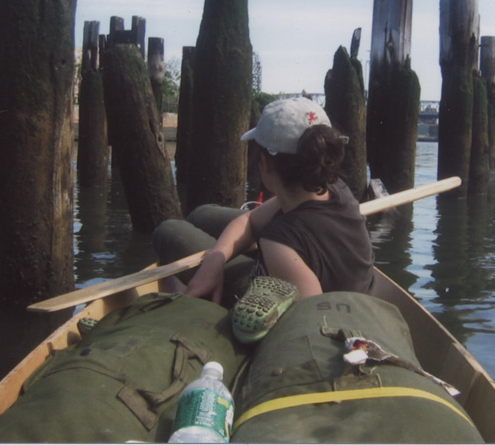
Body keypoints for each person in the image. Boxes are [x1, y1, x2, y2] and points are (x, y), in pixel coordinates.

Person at [153, 98, 376, 322]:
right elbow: (250, 221)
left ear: (265, 164)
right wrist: (215, 259)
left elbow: (311, 318)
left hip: (273, 297)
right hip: (310, 268)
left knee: (168, 231)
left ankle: (181, 294)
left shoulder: (278, 240)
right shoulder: (332, 185)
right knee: (201, 215)